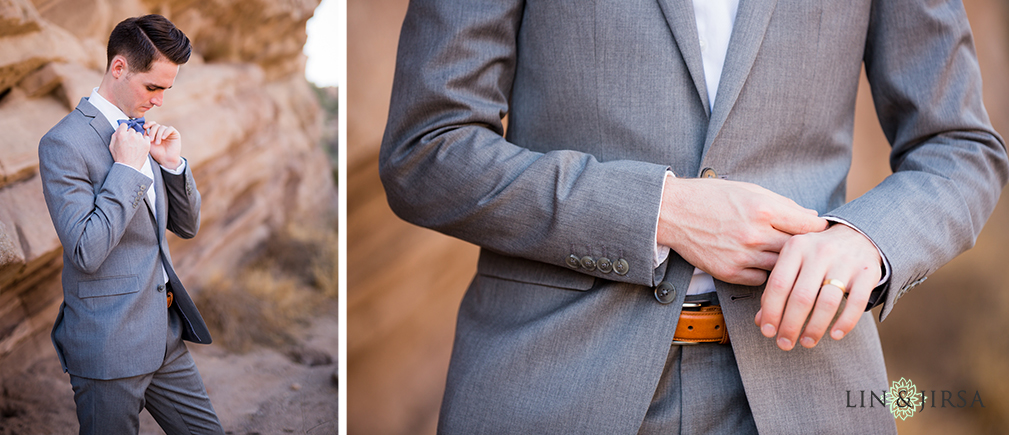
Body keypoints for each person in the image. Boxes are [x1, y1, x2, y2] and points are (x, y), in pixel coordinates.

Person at [379, 0, 1008, 433]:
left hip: (807, 388)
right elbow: (428, 149)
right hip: (553, 387)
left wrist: (866, 243)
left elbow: (960, 148)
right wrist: (662, 210)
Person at [38, 14, 224, 434]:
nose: (159, 101)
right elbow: (86, 250)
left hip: (165, 336)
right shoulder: (63, 143)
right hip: (109, 346)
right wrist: (127, 169)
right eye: (153, 87)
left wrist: (172, 164)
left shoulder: (144, 133)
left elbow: (188, 226)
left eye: (166, 90)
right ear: (119, 68)